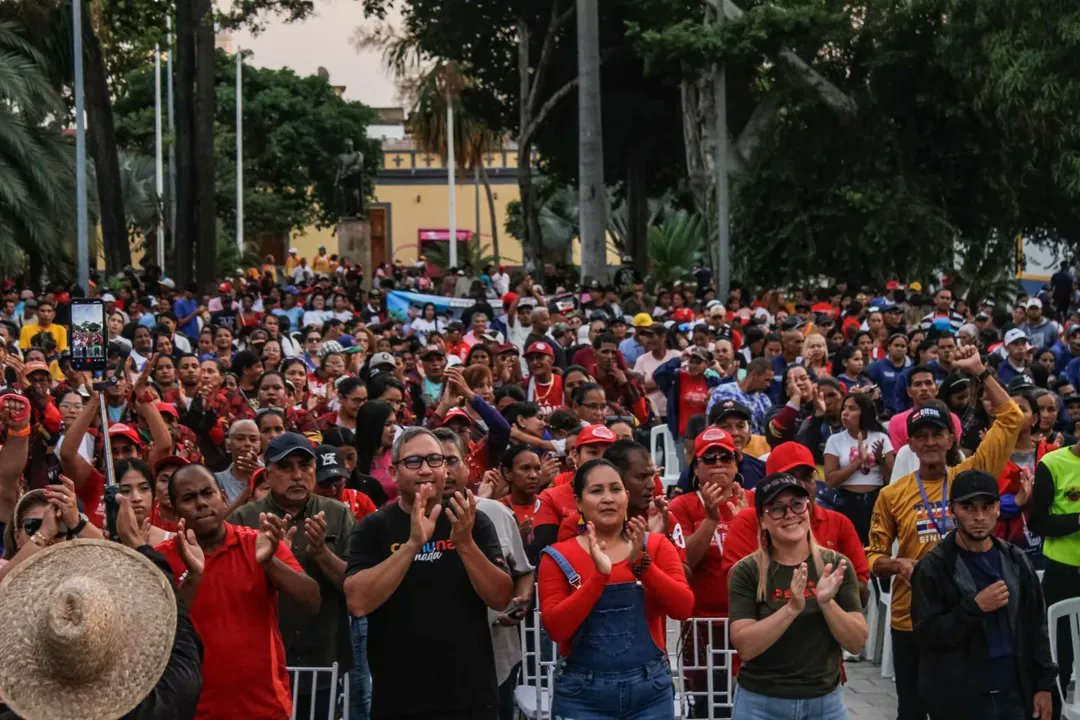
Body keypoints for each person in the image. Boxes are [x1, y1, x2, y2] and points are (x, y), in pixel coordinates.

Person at [866, 345, 1022, 720]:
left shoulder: (970, 477)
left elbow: (1012, 419)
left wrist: (980, 372)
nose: (931, 442)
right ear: (911, 443)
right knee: (914, 710)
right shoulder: (892, 495)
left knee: (964, 709)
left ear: (952, 438)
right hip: (912, 618)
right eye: (922, 435)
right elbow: (870, 556)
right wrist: (896, 564)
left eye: (938, 433)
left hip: (968, 613)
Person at [344, 427, 512, 720]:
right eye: (413, 462)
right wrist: (412, 545)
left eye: (435, 460)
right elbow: (358, 601)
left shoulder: (471, 520)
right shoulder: (373, 528)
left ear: (446, 469)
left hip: (472, 698)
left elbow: (500, 598)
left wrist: (465, 544)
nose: (425, 470)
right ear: (394, 473)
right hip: (399, 700)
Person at [156, 463, 320, 719]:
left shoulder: (260, 543)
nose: (201, 503)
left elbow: (312, 600)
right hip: (192, 712)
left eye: (207, 493)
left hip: (266, 709)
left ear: (222, 496)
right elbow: (157, 632)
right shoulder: (161, 560)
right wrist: (192, 577)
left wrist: (268, 563)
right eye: (189, 498)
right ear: (175, 510)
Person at [538, 458, 694, 720]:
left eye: (615, 489)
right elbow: (556, 627)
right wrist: (599, 577)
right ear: (578, 502)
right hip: (581, 696)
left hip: (650, 693)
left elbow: (683, 608)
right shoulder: (557, 556)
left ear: (626, 496)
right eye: (596, 491)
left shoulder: (655, 546)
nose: (608, 498)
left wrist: (642, 565)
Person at [910, 469, 1055, 720]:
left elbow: (1035, 627)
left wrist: (1044, 685)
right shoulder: (935, 566)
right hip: (961, 697)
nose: (979, 517)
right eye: (968, 507)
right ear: (952, 510)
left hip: (1014, 691)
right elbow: (926, 634)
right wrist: (974, 608)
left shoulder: (1016, 560)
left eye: (987, 507)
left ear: (998, 509)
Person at [229, 433, 355, 719]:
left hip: (323, 659)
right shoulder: (243, 520)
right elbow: (231, 591)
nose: (298, 475)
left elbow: (354, 587)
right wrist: (271, 562)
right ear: (269, 474)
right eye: (286, 467)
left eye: (305, 466)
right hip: (261, 664)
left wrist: (321, 552)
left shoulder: (337, 515)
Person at [727, 473, 866, 719]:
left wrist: (826, 603)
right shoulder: (746, 571)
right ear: (762, 520)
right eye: (777, 508)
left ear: (808, 509)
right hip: (761, 704)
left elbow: (856, 643)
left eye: (797, 504)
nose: (790, 514)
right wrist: (791, 608)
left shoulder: (836, 564)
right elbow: (745, 647)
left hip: (825, 703)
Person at [436, 428, 534, 720]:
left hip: (496, 657)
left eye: (451, 460)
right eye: (434, 461)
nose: (445, 470)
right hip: (431, 664)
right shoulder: (404, 522)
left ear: (467, 465)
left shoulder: (496, 513)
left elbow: (523, 572)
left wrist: (520, 601)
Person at [1028, 439, 1080, 719]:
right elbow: (1038, 523)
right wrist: (1077, 520)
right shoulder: (1053, 464)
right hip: (1063, 572)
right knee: (1060, 658)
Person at [823, 391, 895, 542]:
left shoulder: (881, 438)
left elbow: (892, 479)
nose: (845, 413)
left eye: (852, 408)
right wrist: (857, 463)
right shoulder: (834, 440)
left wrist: (880, 459)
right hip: (847, 501)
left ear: (864, 412)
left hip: (876, 499)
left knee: (879, 543)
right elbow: (830, 480)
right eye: (844, 408)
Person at [706, 357, 774, 434]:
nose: (768, 385)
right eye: (766, 380)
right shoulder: (723, 391)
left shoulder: (764, 400)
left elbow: (766, 431)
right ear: (754, 374)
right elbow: (709, 419)